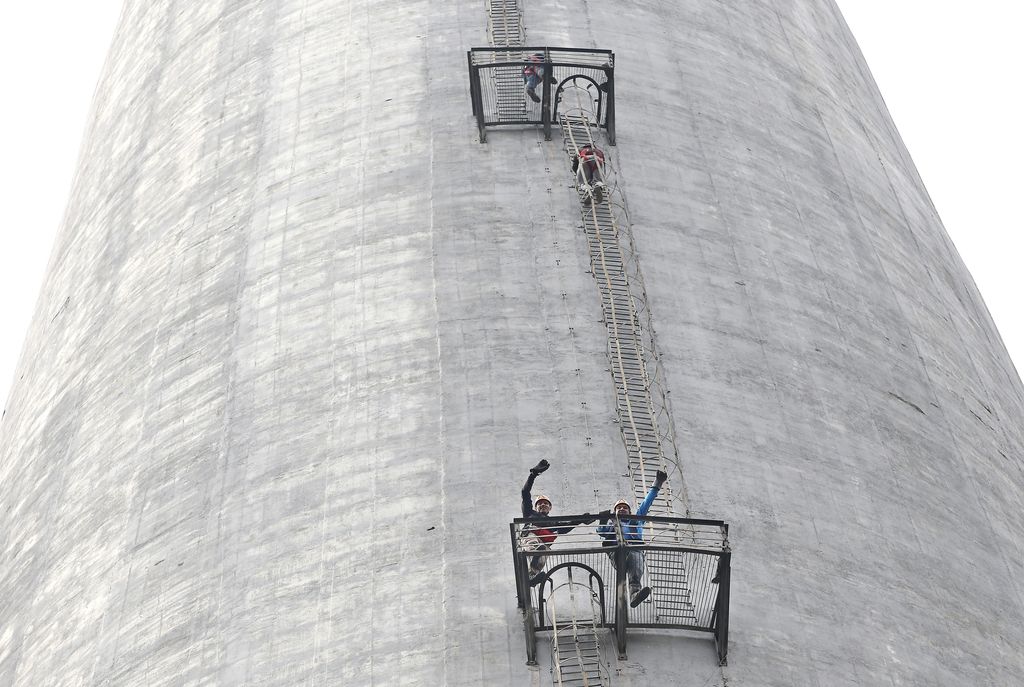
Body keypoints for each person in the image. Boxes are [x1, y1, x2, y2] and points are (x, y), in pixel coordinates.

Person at [598, 469, 668, 607]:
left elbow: (646, 504)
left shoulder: (635, 522)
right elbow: (601, 531)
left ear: (630, 511)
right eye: (619, 508)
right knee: (631, 553)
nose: (622, 509)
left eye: (625, 507)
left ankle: (635, 594)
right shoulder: (613, 524)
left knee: (636, 559)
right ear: (615, 512)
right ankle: (634, 591)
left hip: (634, 551)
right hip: (617, 553)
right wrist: (603, 520)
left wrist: (658, 483)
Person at [521, 459, 587, 586]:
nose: (543, 505)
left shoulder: (553, 522)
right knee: (537, 546)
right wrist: (533, 474)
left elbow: (566, 527)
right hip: (531, 536)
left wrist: (581, 520)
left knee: (543, 552)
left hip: (544, 543)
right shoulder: (530, 513)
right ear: (536, 507)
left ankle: (531, 576)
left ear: (550, 508)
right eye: (540, 504)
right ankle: (534, 564)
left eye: (546, 504)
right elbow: (525, 493)